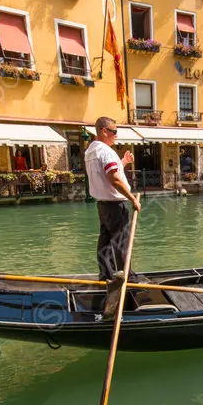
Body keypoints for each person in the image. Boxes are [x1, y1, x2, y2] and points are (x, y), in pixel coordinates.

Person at [85, 117, 143, 318]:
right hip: (115, 204)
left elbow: (109, 172)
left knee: (106, 241)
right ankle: (128, 277)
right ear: (102, 131)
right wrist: (132, 199)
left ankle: (106, 274)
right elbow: (114, 178)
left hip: (102, 204)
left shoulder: (91, 151)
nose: (116, 135)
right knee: (121, 243)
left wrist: (124, 162)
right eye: (114, 131)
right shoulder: (106, 151)